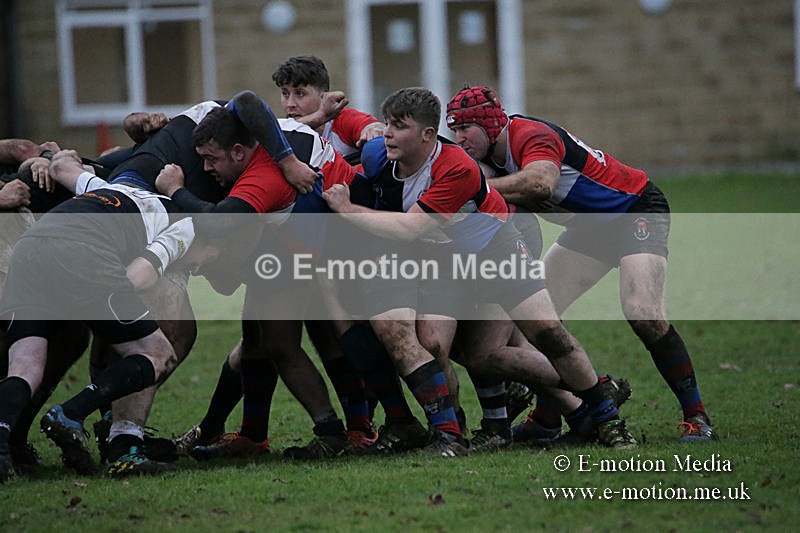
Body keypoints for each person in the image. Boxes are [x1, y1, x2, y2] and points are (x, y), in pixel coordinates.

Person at [323, 87, 637, 455]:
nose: (388, 133)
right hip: (445, 261)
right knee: (435, 344)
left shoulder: (455, 167)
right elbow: (341, 173)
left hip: (496, 249)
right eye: (387, 124)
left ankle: (605, 417)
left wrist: (347, 210)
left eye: (400, 126)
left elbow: (410, 227)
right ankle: (452, 434)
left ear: (426, 134)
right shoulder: (379, 160)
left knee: (547, 332)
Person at [446, 85, 714, 442]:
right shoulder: (486, 159)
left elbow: (541, 183)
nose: (460, 138)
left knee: (643, 312)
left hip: (633, 211)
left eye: (467, 128)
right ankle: (547, 419)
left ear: (491, 124)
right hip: (586, 228)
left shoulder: (530, 135)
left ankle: (696, 417)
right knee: (540, 322)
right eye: (455, 130)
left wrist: (477, 192)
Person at [156, 102, 367, 459]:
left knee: (285, 342)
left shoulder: (263, 178)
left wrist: (175, 189)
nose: (206, 169)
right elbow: (246, 99)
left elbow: (220, 221)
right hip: (304, 239)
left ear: (239, 151)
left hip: (323, 246)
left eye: (212, 159)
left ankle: (341, 431)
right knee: (257, 338)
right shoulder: (265, 130)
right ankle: (252, 436)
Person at [0, 149, 213, 481]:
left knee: (26, 366)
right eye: (210, 259)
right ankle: (70, 413)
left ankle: (1, 452)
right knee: (157, 353)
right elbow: (136, 277)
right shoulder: (186, 226)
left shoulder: (106, 188)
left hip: (31, 248)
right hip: (81, 250)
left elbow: (62, 166)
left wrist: (52, 155)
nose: (200, 267)